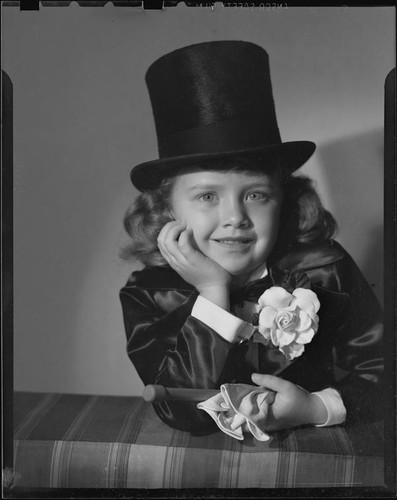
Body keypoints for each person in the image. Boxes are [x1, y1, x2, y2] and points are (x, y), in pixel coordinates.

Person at [119, 41, 384, 434]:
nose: (236, 218)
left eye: (256, 195)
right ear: (167, 210)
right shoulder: (148, 292)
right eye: (208, 196)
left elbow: (383, 376)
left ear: (283, 198)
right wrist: (213, 291)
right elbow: (183, 413)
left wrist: (315, 408)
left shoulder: (325, 269)